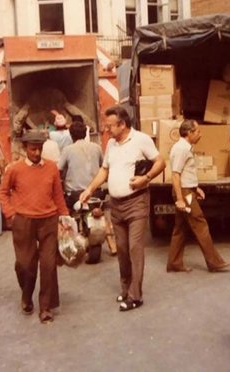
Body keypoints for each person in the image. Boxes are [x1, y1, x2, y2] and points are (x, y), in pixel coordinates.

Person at [80, 105, 165, 312]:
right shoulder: (111, 144)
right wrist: (90, 189)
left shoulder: (141, 140)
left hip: (136, 202)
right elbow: (105, 169)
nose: (107, 130)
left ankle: (135, 296)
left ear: (122, 124)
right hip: (116, 205)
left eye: (110, 126)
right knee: (123, 250)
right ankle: (126, 289)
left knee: (135, 248)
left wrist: (145, 179)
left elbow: (160, 162)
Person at [0, 130, 69, 324]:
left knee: (48, 265)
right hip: (23, 222)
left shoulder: (52, 168)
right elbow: (3, 193)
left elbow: (58, 195)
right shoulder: (14, 169)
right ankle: (26, 294)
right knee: (25, 265)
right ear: (25, 149)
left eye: (39, 149)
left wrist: (65, 217)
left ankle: (45, 307)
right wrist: (11, 214)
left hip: (49, 220)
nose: (36, 153)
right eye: (32, 149)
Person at [166, 120, 229, 273]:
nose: (200, 134)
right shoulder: (181, 149)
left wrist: (196, 188)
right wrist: (181, 199)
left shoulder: (185, 147)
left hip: (188, 190)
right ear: (189, 133)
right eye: (197, 131)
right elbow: (175, 174)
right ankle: (214, 262)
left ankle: (174, 263)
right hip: (185, 193)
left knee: (180, 228)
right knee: (200, 224)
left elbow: (186, 172)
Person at [58, 120, 103, 210]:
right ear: (85, 134)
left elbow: (59, 169)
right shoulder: (97, 147)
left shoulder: (67, 150)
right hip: (95, 192)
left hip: (74, 195)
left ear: (71, 135)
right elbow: (103, 167)